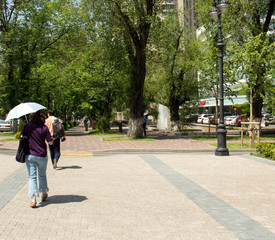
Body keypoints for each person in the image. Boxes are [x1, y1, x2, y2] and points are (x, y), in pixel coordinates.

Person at [24, 110, 53, 208]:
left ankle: (33, 199)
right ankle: (44, 193)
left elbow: (22, 138)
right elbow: (50, 142)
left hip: (30, 155)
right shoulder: (44, 128)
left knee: (32, 177)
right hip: (42, 155)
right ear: (42, 118)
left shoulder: (27, 127)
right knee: (42, 175)